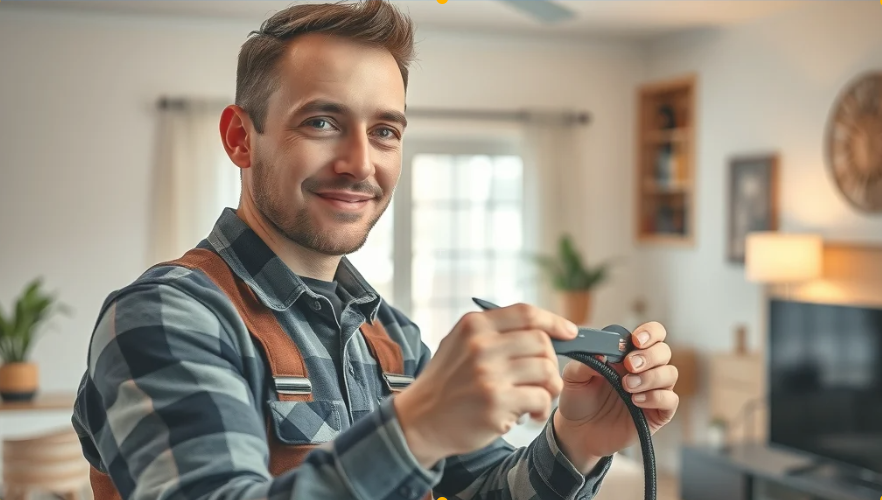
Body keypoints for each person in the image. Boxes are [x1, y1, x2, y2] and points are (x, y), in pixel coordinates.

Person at [72, 1, 679, 499]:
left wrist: (577, 440)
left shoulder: (389, 336)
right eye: (321, 122)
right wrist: (416, 428)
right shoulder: (165, 317)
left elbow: (484, 490)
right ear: (240, 138)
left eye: (385, 131)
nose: (361, 163)